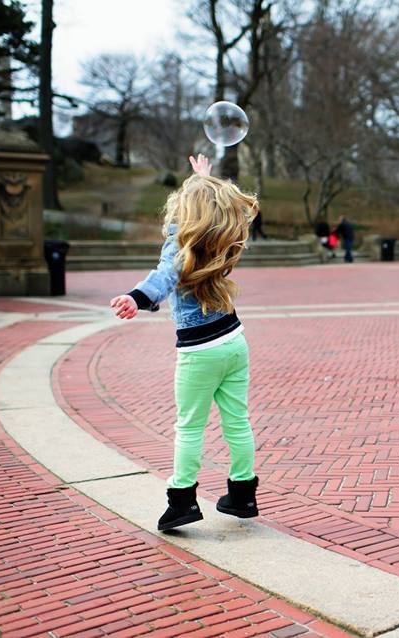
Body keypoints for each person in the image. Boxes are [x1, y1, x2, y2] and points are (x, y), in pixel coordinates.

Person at [109, 154, 260, 531]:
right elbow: (208, 209)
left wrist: (136, 297)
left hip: (200, 352)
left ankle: (182, 502)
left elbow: (163, 276)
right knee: (237, 422)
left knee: (189, 427)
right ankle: (242, 496)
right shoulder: (219, 236)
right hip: (234, 341)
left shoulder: (181, 243)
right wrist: (203, 181)